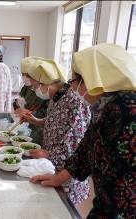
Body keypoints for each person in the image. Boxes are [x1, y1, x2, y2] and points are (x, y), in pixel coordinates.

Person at [30, 44, 136, 218]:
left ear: (94, 80)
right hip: (107, 203)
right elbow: (86, 148)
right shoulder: (105, 105)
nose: (72, 88)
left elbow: (122, 187)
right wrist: (58, 178)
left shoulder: (126, 109)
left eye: (75, 82)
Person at [21, 57, 91, 206]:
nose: (35, 90)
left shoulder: (74, 100)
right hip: (52, 165)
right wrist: (37, 121)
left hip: (67, 171)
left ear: (46, 83)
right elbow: (56, 121)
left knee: (63, 208)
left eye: (35, 87)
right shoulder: (56, 97)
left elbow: (77, 139)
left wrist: (50, 154)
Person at [13, 57, 49, 145]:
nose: (24, 77)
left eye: (27, 75)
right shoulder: (26, 87)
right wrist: (17, 106)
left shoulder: (44, 90)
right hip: (24, 126)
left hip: (37, 128)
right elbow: (16, 103)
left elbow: (46, 113)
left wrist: (30, 113)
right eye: (23, 74)